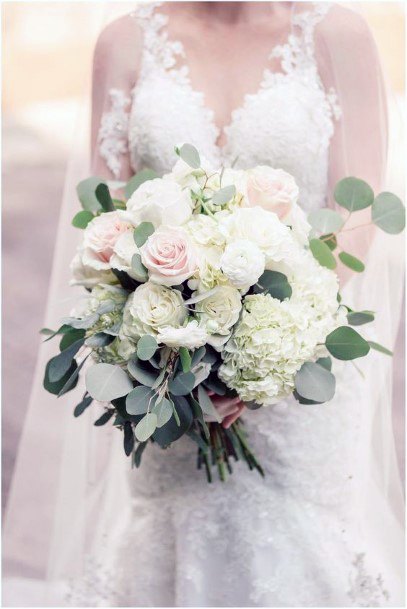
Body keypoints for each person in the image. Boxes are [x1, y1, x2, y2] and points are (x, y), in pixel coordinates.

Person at [4, 2, 404, 606]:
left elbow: (358, 217)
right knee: (173, 538)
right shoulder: (125, 43)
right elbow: (104, 223)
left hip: (300, 371)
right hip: (167, 375)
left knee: (298, 548)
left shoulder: (333, 34)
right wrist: (174, 351)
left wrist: (266, 344)